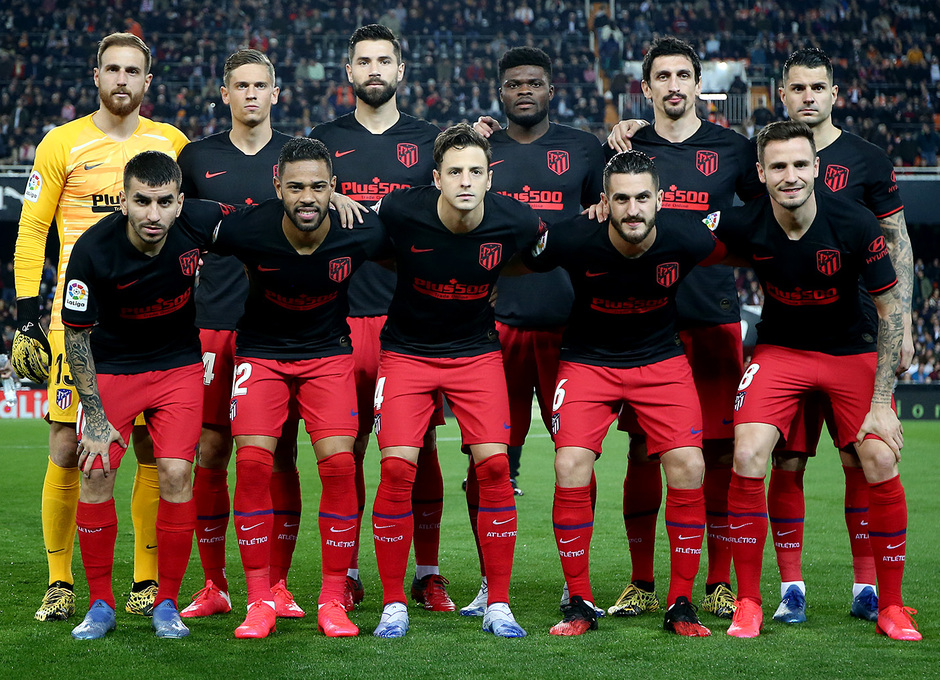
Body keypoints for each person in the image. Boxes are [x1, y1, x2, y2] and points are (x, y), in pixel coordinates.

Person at [712, 121, 918, 642]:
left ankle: (891, 606)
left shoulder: (855, 223)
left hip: (850, 350)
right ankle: (750, 602)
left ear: (818, 168)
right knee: (748, 454)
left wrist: (880, 404)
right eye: (778, 166)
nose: (790, 175)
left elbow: (889, 306)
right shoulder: (742, 222)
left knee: (878, 455)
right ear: (760, 173)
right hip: (781, 350)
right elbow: (675, 233)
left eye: (800, 164)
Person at [12, 32, 188, 622]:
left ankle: (144, 577)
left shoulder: (171, 143)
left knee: (147, 447)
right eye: (111, 69)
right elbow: (33, 230)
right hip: (78, 322)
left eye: (132, 70)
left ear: (147, 82)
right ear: (95, 76)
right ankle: (61, 581)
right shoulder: (62, 142)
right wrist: (26, 317)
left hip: (155, 325)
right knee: (70, 447)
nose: (121, 79)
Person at [518, 150, 723, 637]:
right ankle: (579, 602)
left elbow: (751, 239)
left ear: (661, 199)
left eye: (643, 198)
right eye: (622, 199)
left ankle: (681, 602)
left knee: (691, 465)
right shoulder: (571, 236)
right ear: (604, 202)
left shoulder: (690, 236)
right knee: (569, 465)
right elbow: (521, 259)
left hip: (661, 360)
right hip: (588, 361)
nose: (633, 210)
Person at [604, 36, 764, 620]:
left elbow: (761, 223)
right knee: (644, 454)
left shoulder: (734, 149)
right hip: (644, 327)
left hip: (714, 319)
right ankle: (644, 581)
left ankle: (718, 582)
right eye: (661, 77)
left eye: (683, 76)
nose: (673, 86)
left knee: (717, 456)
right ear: (644, 89)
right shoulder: (626, 149)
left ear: (698, 85)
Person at [211, 137, 388, 639]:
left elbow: (422, 231)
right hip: (261, 354)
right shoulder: (248, 226)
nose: (306, 197)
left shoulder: (363, 227)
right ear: (277, 187)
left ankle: (333, 599)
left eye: (317, 186)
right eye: (295, 187)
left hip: (328, 353)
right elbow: (186, 220)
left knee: (338, 465)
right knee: (250, 465)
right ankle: (259, 599)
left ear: (335, 187)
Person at [370, 124, 542, 639]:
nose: (465, 181)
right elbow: (367, 240)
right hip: (407, 352)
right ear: (436, 177)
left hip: (475, 355)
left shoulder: (517, 219)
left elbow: (543, 256)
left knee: (493, 467)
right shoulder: (401, 209)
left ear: (490, 177)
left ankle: (500, 604)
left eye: (475, 171)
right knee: (397, 469)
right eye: (454, 171)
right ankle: (394, 603)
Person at [767, 46, 915, 625]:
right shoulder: (773, 155)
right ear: (783, 95)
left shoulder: (867, 159)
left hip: (858, 336)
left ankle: (867, 588)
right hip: (787, 334)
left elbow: (898, 241)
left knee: (864, 460)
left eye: (817, 87)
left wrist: (898, 327)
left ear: (835, 94)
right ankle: (790, 588)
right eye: (797, 87)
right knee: (787, 462)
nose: (807, 96)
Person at [310, 24, 453, 613]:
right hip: (340, 320)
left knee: (418, 452)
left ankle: (428, 573)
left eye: (383, 61)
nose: (374, 70)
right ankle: (343, 574)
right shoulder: (321, 142)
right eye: (363, 61)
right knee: (344, 453)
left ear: (401, 71)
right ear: (348, 72)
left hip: (414, 322)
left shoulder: (430, 145)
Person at [463, 45, 605, 616]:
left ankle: (578, 582)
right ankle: (486, 581)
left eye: (535, 83)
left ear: (552, 90)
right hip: (494, 330)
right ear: (500, 91)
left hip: (571, 332)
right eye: (514, 83)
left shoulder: (582, 149)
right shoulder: (480, 150)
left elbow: (607, 222)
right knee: (487, 460)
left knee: (577, 461)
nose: (525, 90)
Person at [62, 150, 224, 639]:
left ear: (180, 202)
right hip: (113, 370)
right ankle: (100, 604)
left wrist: (332, 195)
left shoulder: (201, 221)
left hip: (177, 367)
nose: (153, 215)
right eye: (142, 202)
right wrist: (92, 416)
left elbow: (265, 218)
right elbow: (76, 337)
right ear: (123, 201)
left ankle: (167, 603)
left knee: (176, 473)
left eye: (164, 202)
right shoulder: (92, 251)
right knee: (95, 470)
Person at [175, 49, 305, 620]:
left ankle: (275, 583)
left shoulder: (298, 158)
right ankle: (215, 584)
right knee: (210, 449)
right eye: (240, 86)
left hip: (281, 327)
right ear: (224, 94)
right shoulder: (196, 157)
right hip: (211, 323)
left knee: (278, 454)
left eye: (261, 85)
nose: (251, 94)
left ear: (277, 94)